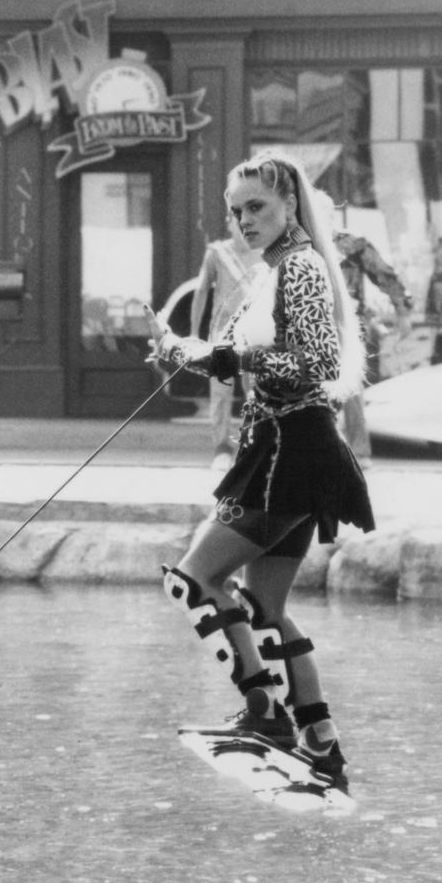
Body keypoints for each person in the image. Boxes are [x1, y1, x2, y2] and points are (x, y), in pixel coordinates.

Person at [152, 150, 374, 793]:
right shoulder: (283, 267)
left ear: (290, 207)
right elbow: (256, 356)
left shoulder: (299, 269)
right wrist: (193, 354)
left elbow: (313, 365)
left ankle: (263, 713)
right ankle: (322, 742)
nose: (244, 219)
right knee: (266, 605)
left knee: (195, 580)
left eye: (257, 208)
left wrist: (219, 359)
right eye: (236, 210)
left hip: (287, 452)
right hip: (293, 451)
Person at [332, 224, 413, 463]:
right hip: (312, 323)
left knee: (353, 385)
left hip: (349, 322)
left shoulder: (352, 245)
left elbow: (383, 274)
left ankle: (359, 450)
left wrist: (402, 308)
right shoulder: (297, 241)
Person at [190, 233, 264, 471]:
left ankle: (253, 447)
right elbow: (201, 290)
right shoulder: (217, 252)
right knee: (221, 391)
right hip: (223, 333)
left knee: (255, 391)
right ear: (230, 221)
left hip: (254, 332)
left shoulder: (264, 250)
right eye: (236, 215)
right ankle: (221, 448)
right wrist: (193, 331)